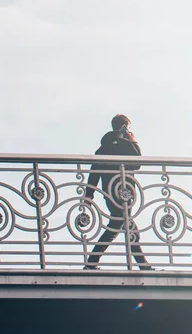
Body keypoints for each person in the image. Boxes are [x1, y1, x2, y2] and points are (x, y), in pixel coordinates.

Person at [83, 114, 152, 270]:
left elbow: (94, 171)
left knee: (123, 224)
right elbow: (137, 162)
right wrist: (134, 140)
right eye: (128, 127)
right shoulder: (125, 144)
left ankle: (142, 265)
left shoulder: (102, 148)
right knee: (121, 225)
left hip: (109, 192)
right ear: (124, 126)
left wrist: (89, 194)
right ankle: (92, 262)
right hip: (124, 192)